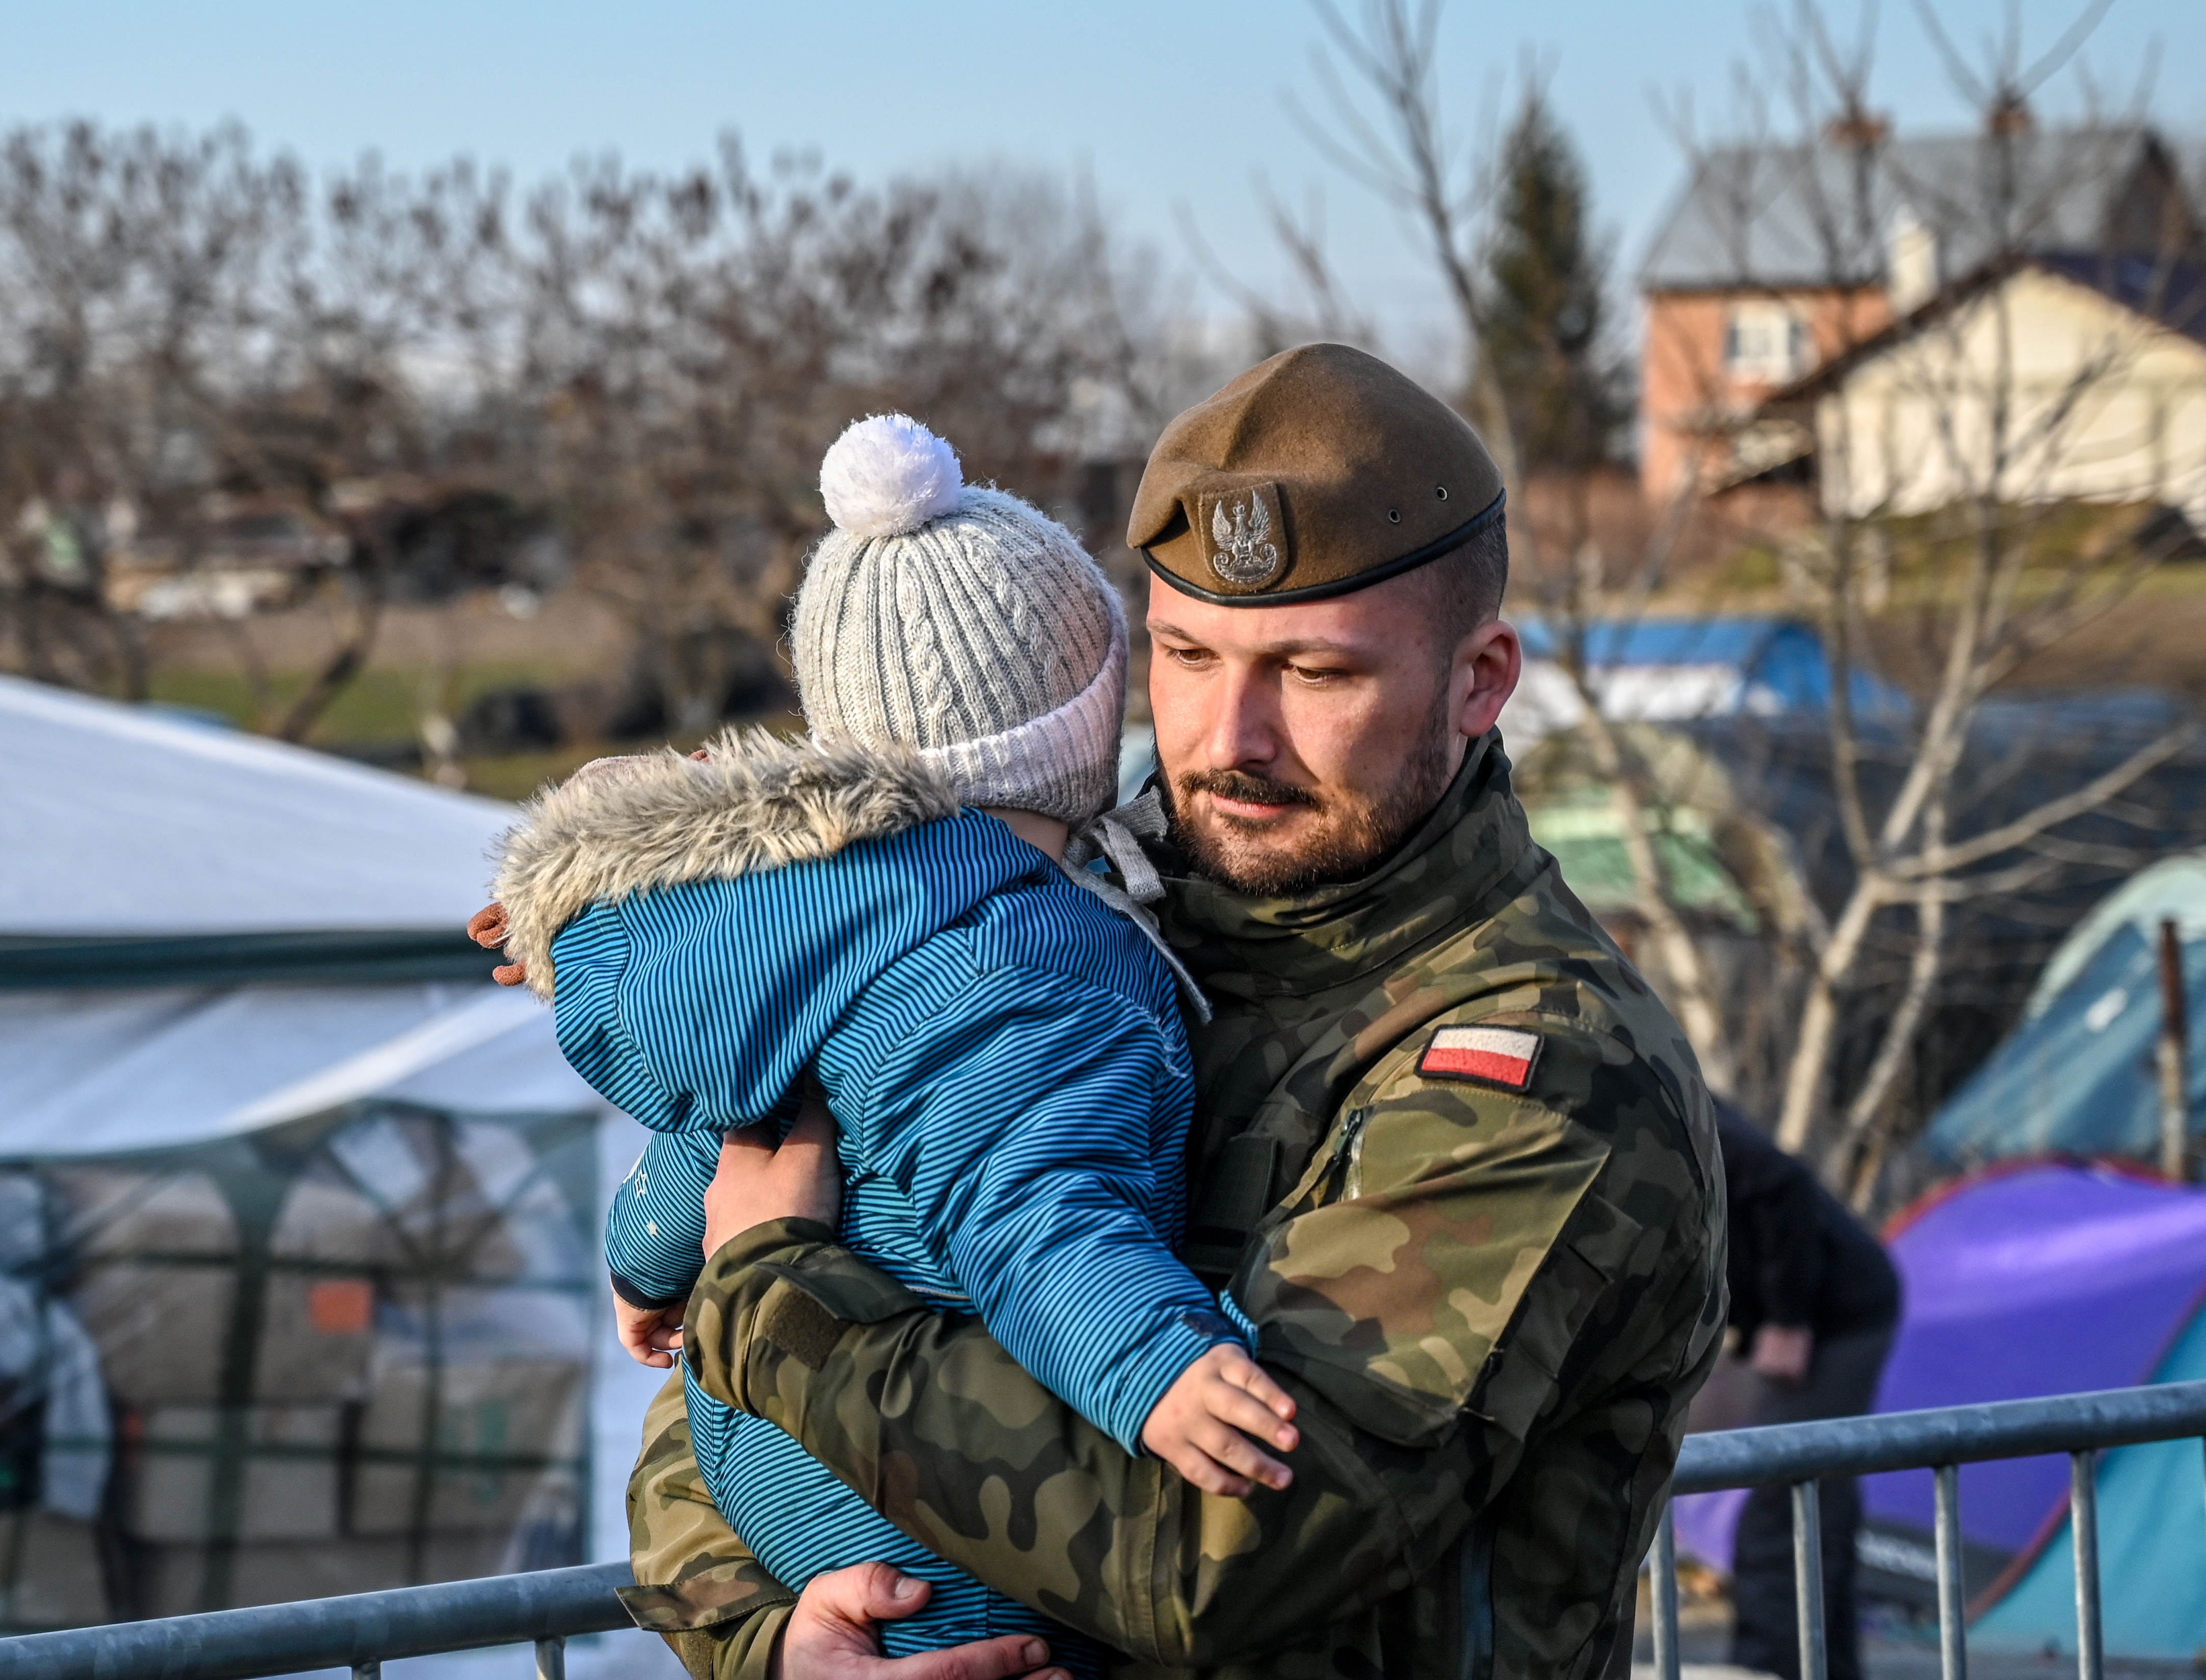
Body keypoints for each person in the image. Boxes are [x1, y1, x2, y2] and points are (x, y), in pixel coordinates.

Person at [621, 343, 1730, 1680]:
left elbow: (1214, 1555)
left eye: (1315, 674)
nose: (1226, 736)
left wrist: (781, 1303)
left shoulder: (1537, 1073)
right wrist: (777, 1640)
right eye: (1186, 654)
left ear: (1481, 680)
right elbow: (702, 1399)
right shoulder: (1040, 926)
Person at [475, 415, 1300, 1680]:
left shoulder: (806, 947)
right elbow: (1035, 1208)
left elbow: (723, 1141)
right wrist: (1160, 1368)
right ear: (1084, 726)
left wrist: (645, 1262)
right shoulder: (1036, 970)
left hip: (791, 1493)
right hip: (949, 1547)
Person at [1712, 1098, 1902, 1680]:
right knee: (1817, 1507)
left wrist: (1787, 1319)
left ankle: (1769, 1670)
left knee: (1782, 1512)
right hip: (1840, 1308)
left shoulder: (1666, 1093)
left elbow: (1781, 1179)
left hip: (1833, 1318)